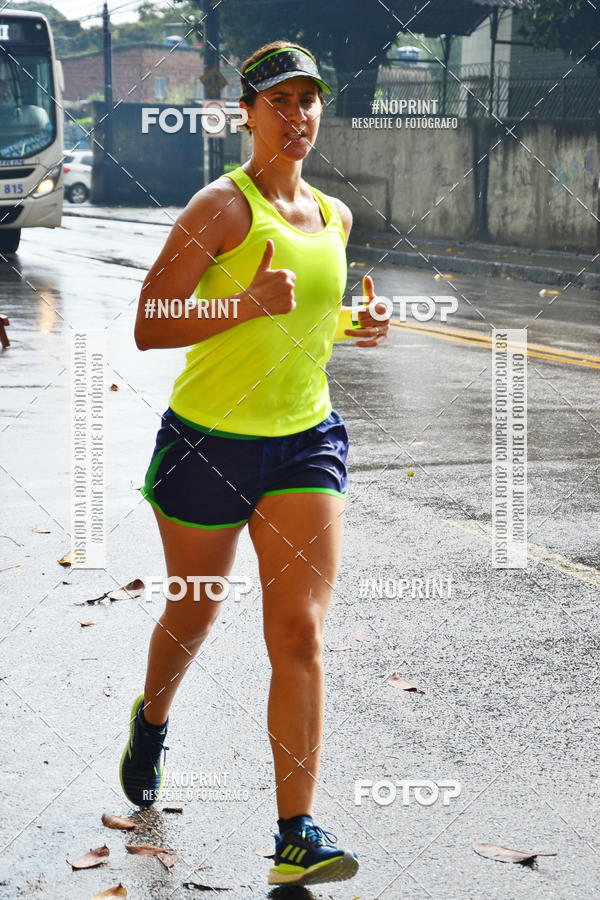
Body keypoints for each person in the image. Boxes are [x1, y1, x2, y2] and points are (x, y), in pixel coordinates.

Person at [120, 39, 390, 887]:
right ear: (247, 112)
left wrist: (355, 329)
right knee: (194, 614)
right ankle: (153, 719)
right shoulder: (220, 209)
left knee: (300, 632)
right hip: (208, 442)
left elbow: (304, 325)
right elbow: (151, 322)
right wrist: (240, 303)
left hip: (305, 443)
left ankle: (295, 836)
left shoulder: (336, 217)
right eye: (280, 102)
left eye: (309, 100)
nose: (298, 115)